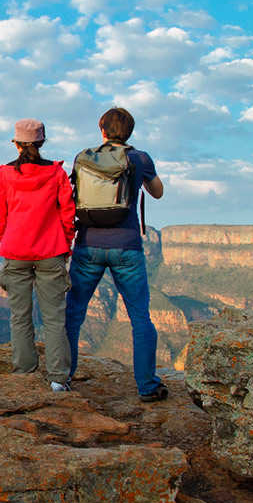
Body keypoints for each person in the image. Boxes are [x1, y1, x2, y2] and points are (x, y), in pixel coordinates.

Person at [64, 107, 168, 403]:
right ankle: (147, 386)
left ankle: (63, 378)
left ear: (103, 130)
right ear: (130, 132)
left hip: (88, 245)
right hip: (126, 247)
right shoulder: (140, 158)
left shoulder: (84, 157)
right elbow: (158, 192)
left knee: (73, 315)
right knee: (139, 317)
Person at [0, 118, 75, 392]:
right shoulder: (56, 173)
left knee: (20, 317)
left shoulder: (5, 175)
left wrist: (8, 240)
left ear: (16, 144)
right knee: (54, 318)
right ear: (42, 143)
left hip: (16, 253)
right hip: (51, 252)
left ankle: (24, 374)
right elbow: (68, 212)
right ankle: (58, 379)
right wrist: (66, 243)